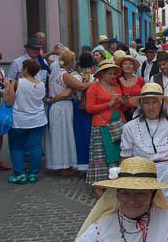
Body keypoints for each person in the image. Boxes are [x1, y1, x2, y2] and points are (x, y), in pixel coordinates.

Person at [45, 51, 92, 176]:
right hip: (63, 106)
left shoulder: (54, 72)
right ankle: (63, 166)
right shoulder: (64, 74)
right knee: (63, 136)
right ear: (70, 61)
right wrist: (94, 82)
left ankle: (58, 164)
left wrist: (51, 100)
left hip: (56, 106)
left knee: (57, 135)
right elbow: (79, 87)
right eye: (74, 60)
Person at [85, 59, 127, 197]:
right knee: (100, 156)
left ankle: (113, 183)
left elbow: (120, 105)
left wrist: (121, 102)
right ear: (101, 74)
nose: (113, 76)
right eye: (110, 74)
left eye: (114, 74)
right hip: (101, 125)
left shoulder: (116, 86)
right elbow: (89, 108)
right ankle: (98, 186)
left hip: (117, 124)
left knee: (116, 154)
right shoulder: (93, 88)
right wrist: (108, 104)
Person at [5, 59, 47, 185]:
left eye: (23, 68)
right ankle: (33, 173)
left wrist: (8, 87)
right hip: (38, 119)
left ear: (26, 70)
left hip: (20, 121)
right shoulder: (41, 84)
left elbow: (9, 102)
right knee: (35, 147)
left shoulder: (18, 83)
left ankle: (20, 174)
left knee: (16, 147)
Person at [74, 52, 95, 172]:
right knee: (91, 136)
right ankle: (92, 163)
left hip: (79, 108)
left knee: (80, 136)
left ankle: (82, 163)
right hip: (91, 108)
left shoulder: (76, 77)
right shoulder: (95, 77)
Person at [115, 50, 144, 121]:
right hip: (123, 113)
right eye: (125, 64)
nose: (128, 66)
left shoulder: (140, 80)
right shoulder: (117, 81)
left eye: (130, 64)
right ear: (121, 67)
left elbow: (144, 95)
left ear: (134, 67)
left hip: (139, 112)